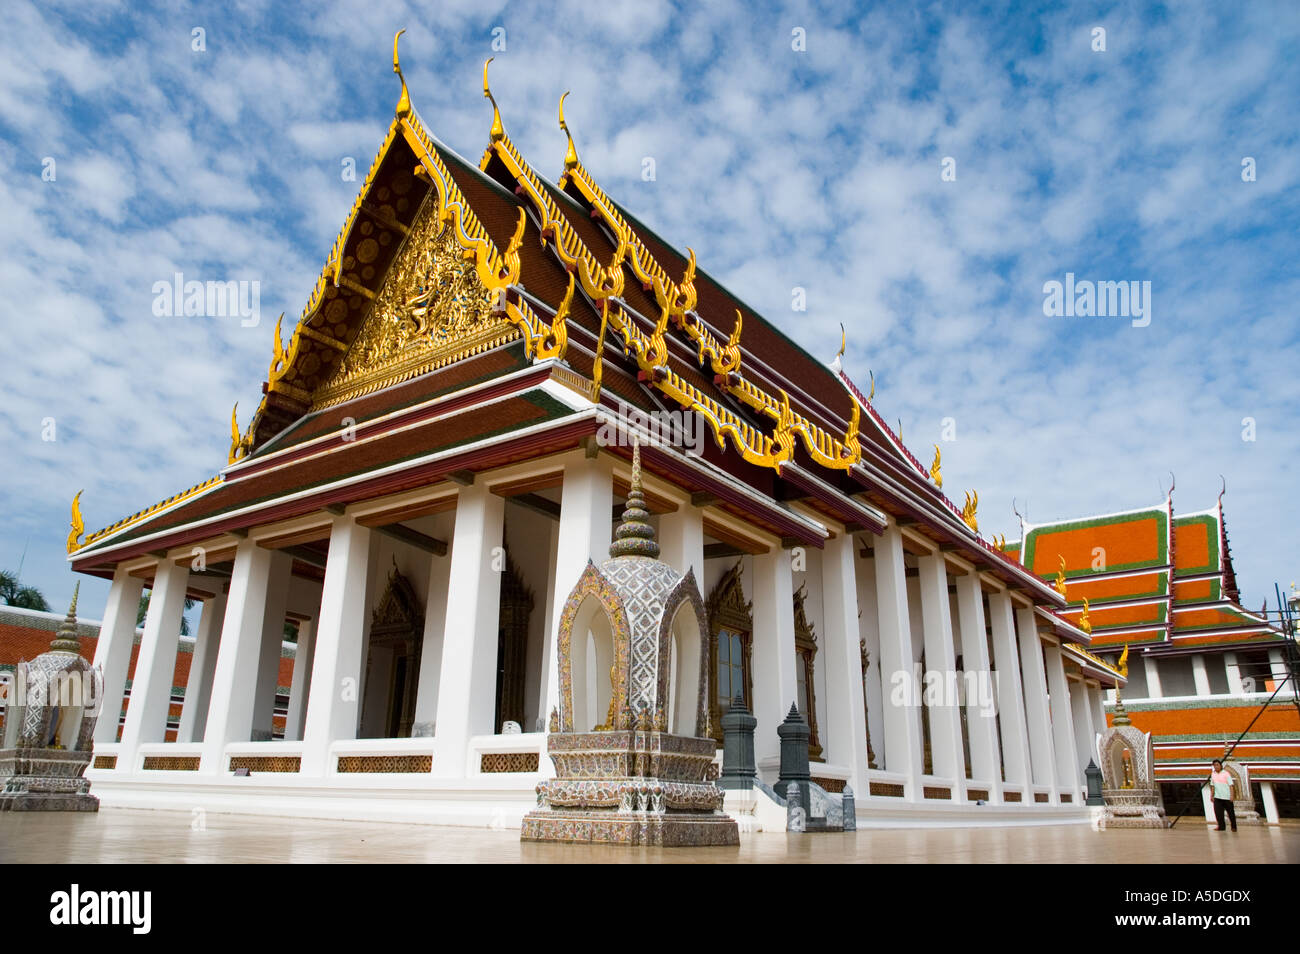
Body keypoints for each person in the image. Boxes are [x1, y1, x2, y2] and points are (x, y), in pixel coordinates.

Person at [1209, 760, 1237, 832]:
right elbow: (1212, 786)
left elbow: (1231, 785)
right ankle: (1221, 827)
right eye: (1214, 765)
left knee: (1231, 813)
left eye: (1217, 765)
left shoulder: (1226, 773)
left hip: (1227, 797)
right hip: (1217, 797)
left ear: (1220, 765)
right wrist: (1211, 795)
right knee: (1218, 813)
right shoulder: (1213, 774)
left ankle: (1233, 827)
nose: (1216, 766)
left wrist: (1232, 795)